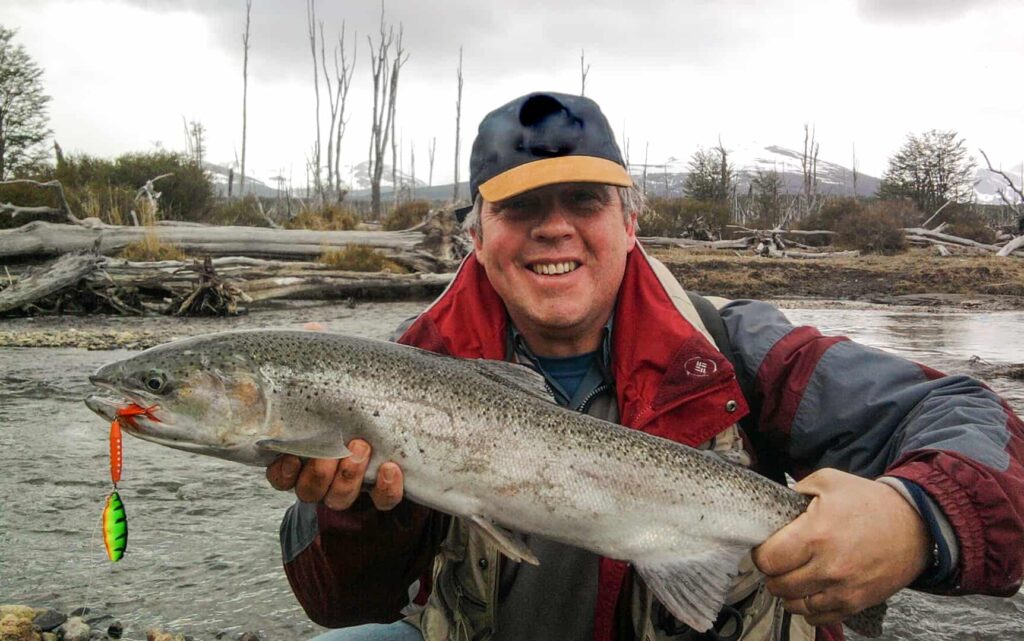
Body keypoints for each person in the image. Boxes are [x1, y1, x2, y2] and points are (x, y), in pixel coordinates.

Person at [266, 91, 1024, 641]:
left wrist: (913, 520)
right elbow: (338, 600)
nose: (554, 227)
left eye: (584, 200)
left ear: (631, 222)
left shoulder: (731, 346)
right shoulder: (400, 369)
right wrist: (356, 514)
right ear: (475, 232)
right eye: (522, 208)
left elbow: (980, 420)